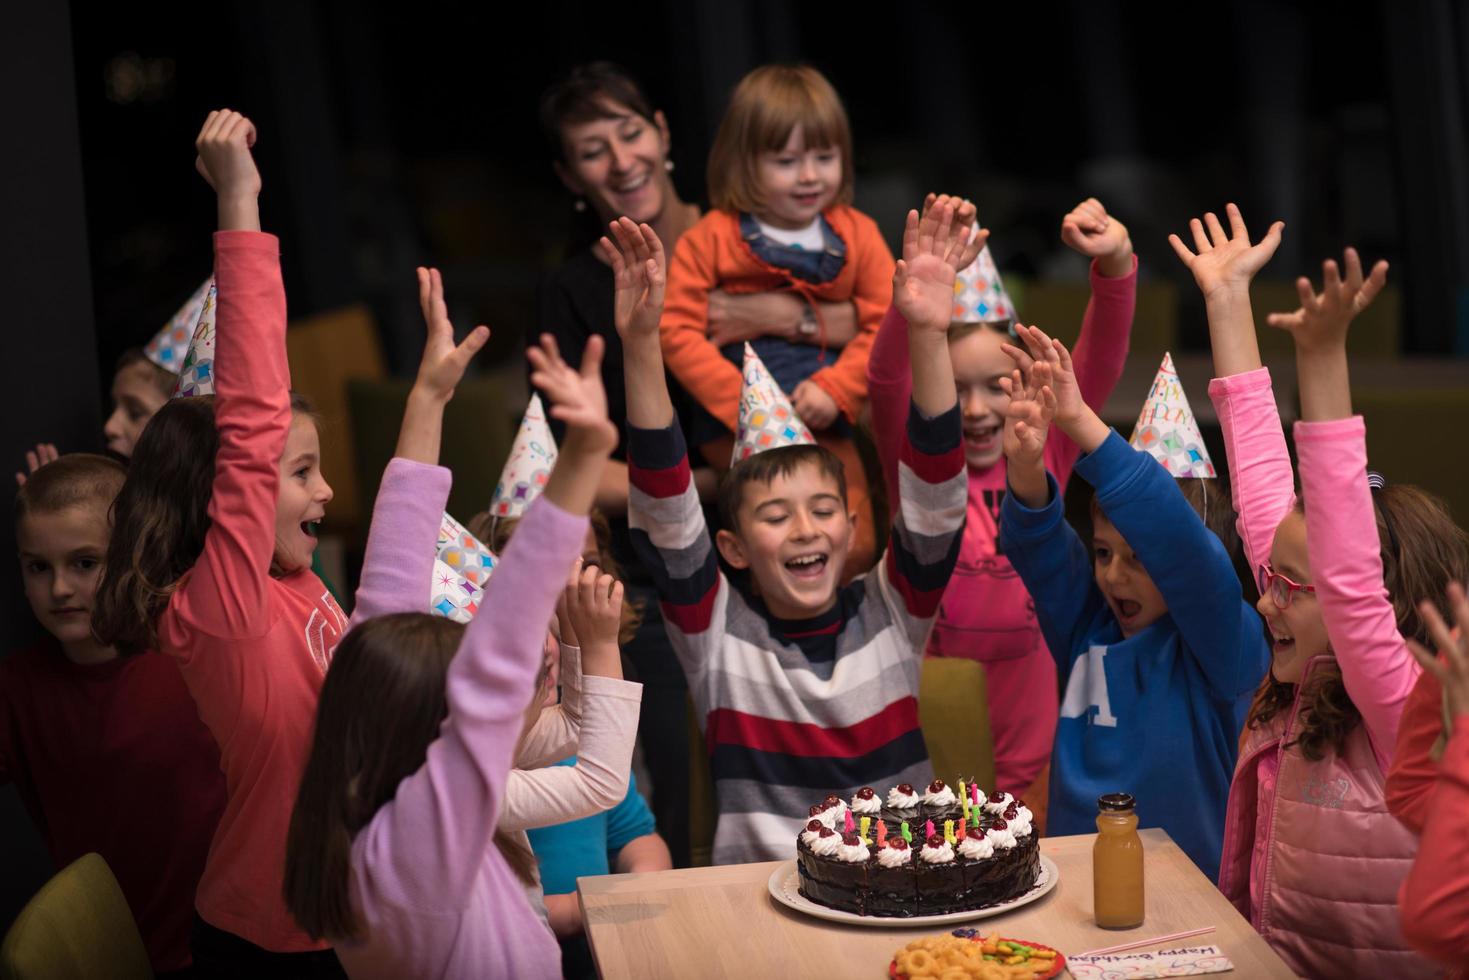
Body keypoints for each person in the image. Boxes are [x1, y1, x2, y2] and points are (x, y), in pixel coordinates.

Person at [614, 196, 972, 863]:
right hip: (763, 907)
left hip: (902, 894)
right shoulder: (713, 632)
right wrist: (641, 343)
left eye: (822, 509)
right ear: (733, 549)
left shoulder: (892, 610)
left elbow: (935, 502)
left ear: (853, 522)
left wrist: (927, 334)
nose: (805, 529)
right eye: (775, 517)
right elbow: (664, 508)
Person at [283, 308, 619, 979]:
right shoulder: (417, 843)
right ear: (434, 730)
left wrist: (428, 398)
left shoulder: (370, 799)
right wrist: (581, 461)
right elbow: (498, 660)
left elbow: (389, 577)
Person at [90, 109, 348, 975]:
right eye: (301, 472)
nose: (327, 492)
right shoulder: (223, 609)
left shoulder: (294, 581)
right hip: (271, 950)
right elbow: (253, 410)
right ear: (225, 499)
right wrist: (240, 198)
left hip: (337, 920)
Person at [1182, 205, 1463, 976]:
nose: (1264, 600)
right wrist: (1227, 299)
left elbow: (1344, 582)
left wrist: (1323, 360)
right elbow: (1261, 484)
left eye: (1290, 591)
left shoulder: (1397, 708)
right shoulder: (1303, 674)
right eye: (1269, 582)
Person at [867, 194, 1136, 806]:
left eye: (998, 386)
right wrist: (912, 308)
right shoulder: (917, 463)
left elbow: (1102, 357)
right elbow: (886, 382)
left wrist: (1115, 263)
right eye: (957, 389)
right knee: (935, 824)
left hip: (1031, 679)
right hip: (930, 676)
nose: (978, 409)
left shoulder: (1042, 450)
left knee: (1026, 823)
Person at [997, 318, 1268, 882]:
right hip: (1076, 888)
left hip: (1197, 902)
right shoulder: (1087, 627)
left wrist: (1083, 424)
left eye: (1139, 559)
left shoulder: (1225, 644)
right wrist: (1025, 464)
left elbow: (1179, 543)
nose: (1114, 576)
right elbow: (1042, 549)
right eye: (1102, 552)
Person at [657, 64, 892, 577]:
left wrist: (837, 387)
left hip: (825, 414)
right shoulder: (712, 237)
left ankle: (846, 629)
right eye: (787, 161)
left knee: (852, 534)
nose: (809, 176)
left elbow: (884, 324)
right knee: (763, 537)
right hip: (736, 424)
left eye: (824, 158)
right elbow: (676, 332)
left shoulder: (858, 233)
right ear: (744, 163)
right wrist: (745, 402)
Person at [2, 454, 224, 975]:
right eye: (39, 567)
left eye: (84, 563)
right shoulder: (18, 690)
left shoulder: (192, 653)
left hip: (228, 948)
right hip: (117, 959)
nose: (59, 589)